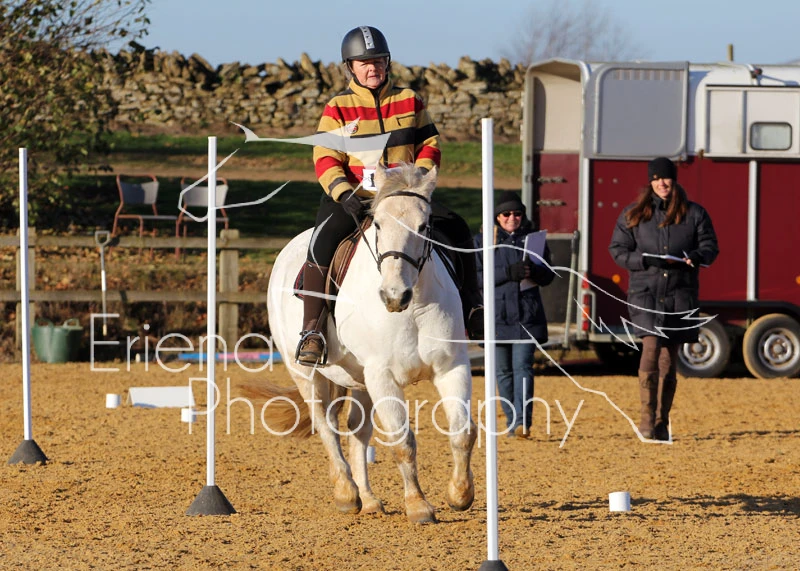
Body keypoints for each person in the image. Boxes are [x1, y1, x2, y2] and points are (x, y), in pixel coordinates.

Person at [296, 25, 484, 366]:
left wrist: (419, 183)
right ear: (350, 67)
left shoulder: (410, 100)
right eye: (365, 63)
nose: (373, 68)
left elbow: (429, 144)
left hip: (405, 198)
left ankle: (473, 310)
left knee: (457, 226)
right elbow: (324, 157)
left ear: (388, 63)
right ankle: (313, 330)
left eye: (379, 61)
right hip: (354, 198)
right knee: (322, 241)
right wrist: (342, 192)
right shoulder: (337, 107)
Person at [609, 157, 719, 441]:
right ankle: (646, 420)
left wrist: (696, 256)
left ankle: (661, 422)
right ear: (650, 182)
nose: (661, 183)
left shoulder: (695, 213)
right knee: (651, 346)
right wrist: (642, 260)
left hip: (679, 293)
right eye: (656, 179)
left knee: (669, 358)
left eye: (666, 178)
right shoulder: (633, 214)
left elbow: (710, 246)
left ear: (674, 180)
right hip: (645, 292)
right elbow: (618, 249)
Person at [475, 191, 555, 438]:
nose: (512, 218)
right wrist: (508, 273)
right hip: (496, 316)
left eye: (517, 213)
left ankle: (522, 422)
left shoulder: (534, 240)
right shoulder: (481, 241)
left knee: (523, 368)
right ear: (497, 217)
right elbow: (476, 278)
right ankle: (512, 423)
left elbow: (548, 275)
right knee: (502, 372)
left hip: (526, 315)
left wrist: (535, 271)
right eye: (506, 214)